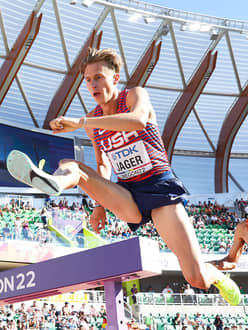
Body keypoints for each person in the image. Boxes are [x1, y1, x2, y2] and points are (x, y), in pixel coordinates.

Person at [7, 47, 240, 306]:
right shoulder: (94, 119)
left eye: (98, 77)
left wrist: (82, 122)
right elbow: (101, 163)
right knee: (72, 165)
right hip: (128, 194)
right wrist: (99, 206)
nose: (92, 84)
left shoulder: (133, 96)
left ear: (115, 79)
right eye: (87, 79)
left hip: (160, 189)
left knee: (196, 278)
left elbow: (138, 121)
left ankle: (216, 274)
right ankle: (54, 182)